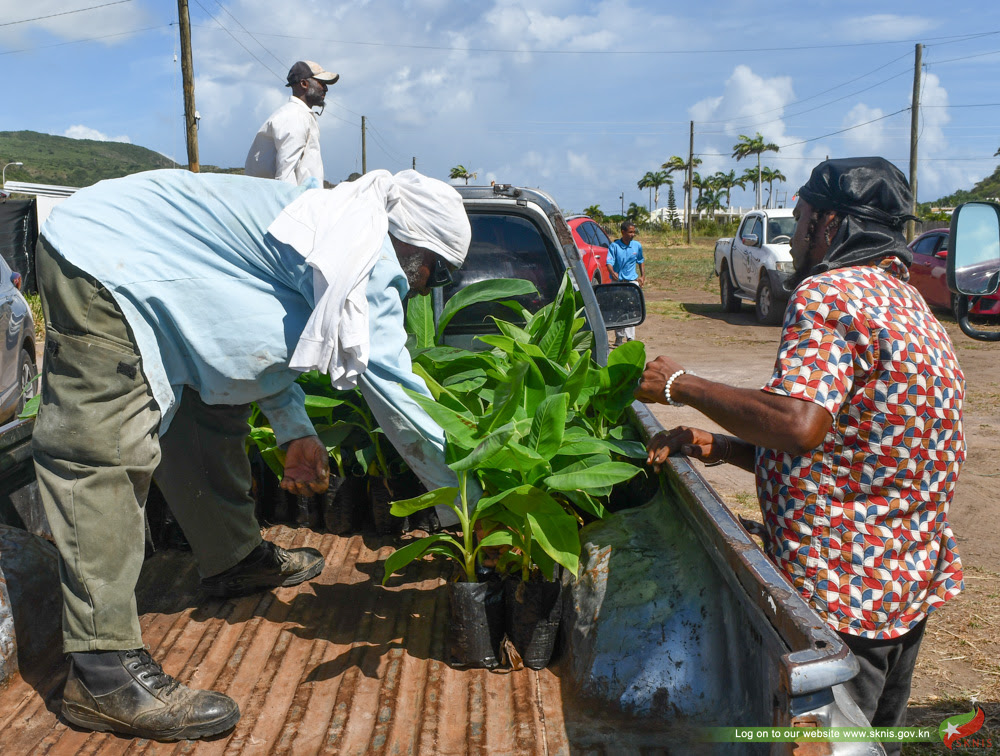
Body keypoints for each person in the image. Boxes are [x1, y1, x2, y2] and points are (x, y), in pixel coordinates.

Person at [34, 168, 470, 741]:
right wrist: (470, 504)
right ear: (412, 246)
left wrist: (294, 431)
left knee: (209, 407)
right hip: (102, 257)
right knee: (103, 449)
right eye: (437, 272)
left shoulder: (333, 235)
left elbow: (247, 327)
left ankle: (232, 558)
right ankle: (102, 672)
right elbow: (396, 393)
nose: (425, 287)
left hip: (140, 256)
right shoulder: (364, 255)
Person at [634, 157, 964, 755]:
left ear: (829, 225)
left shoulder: (830, 293)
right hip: (903, 591)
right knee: (874, 746)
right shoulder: (913, 309)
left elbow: (798, 424)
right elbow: (855, 460)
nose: (794, 237)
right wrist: (720, 446)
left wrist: (683, 384)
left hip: (840, 601)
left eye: (802, 218)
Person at [244, 60, 339, 185]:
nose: (325, 89)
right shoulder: (295, 116)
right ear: (304, 84)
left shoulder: (299, 114)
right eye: (321, 83)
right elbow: (285, 174)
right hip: (287, 196)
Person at [606, 220, 644, 345]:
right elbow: (609, 262)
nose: (633, 234)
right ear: (623, 232)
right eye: (630, 232)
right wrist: (612, 272)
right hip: (618, 282)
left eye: (634, 232)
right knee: (618, 309)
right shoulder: (614, 246)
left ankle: (630, 337)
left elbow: (640, 261)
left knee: (631, 309)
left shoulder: (637, 246)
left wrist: (643, 276)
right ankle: (619, 336)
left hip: (631, 282)